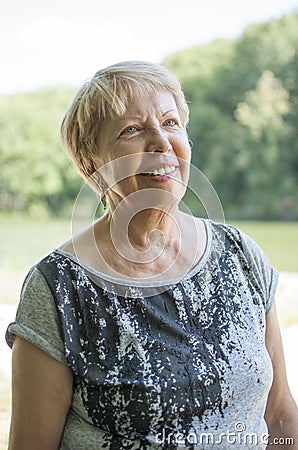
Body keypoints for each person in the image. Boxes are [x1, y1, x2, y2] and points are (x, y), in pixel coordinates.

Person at [6, 61, 298, 450]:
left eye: (171, 123)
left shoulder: (241, 254)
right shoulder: (58, 288)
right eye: (132, 129)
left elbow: (279, 413)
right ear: (92, 164)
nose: (161, 141)